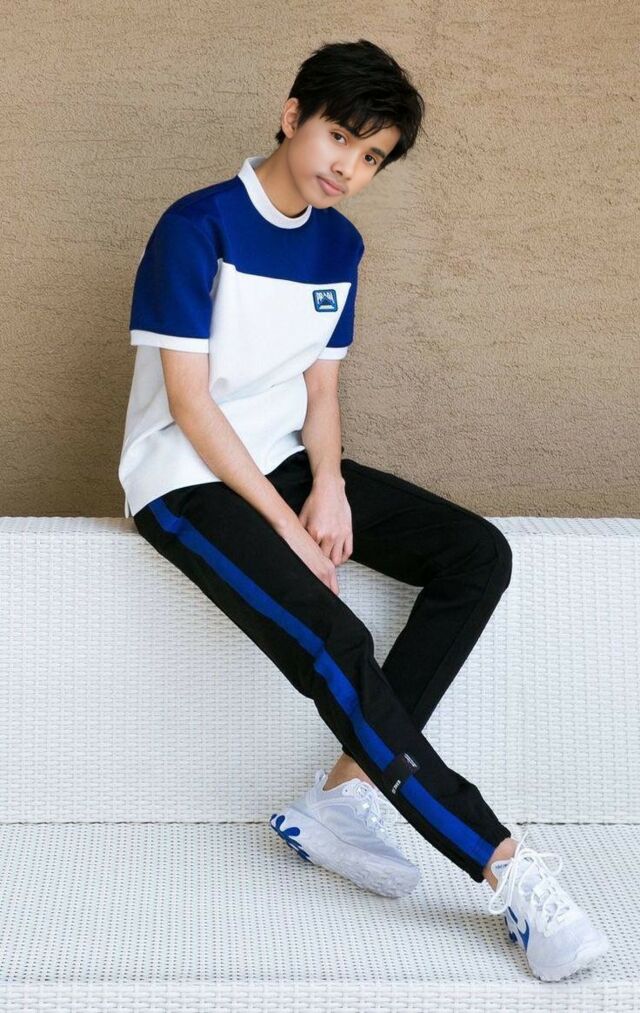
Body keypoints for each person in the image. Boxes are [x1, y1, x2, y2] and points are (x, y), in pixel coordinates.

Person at [118, 38, 608, 982]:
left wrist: (329, 485)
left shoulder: (340, 246)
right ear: (293, 115)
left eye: (372, 154)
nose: (348, 166)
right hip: (183, 477)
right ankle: (504, 866)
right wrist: (286, 527)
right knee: (336, 640)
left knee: (476, 554)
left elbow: (320, 391)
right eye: (339, 136)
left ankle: (343, 797)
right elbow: (189, 403)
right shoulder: (197, 224)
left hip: (283, 461)